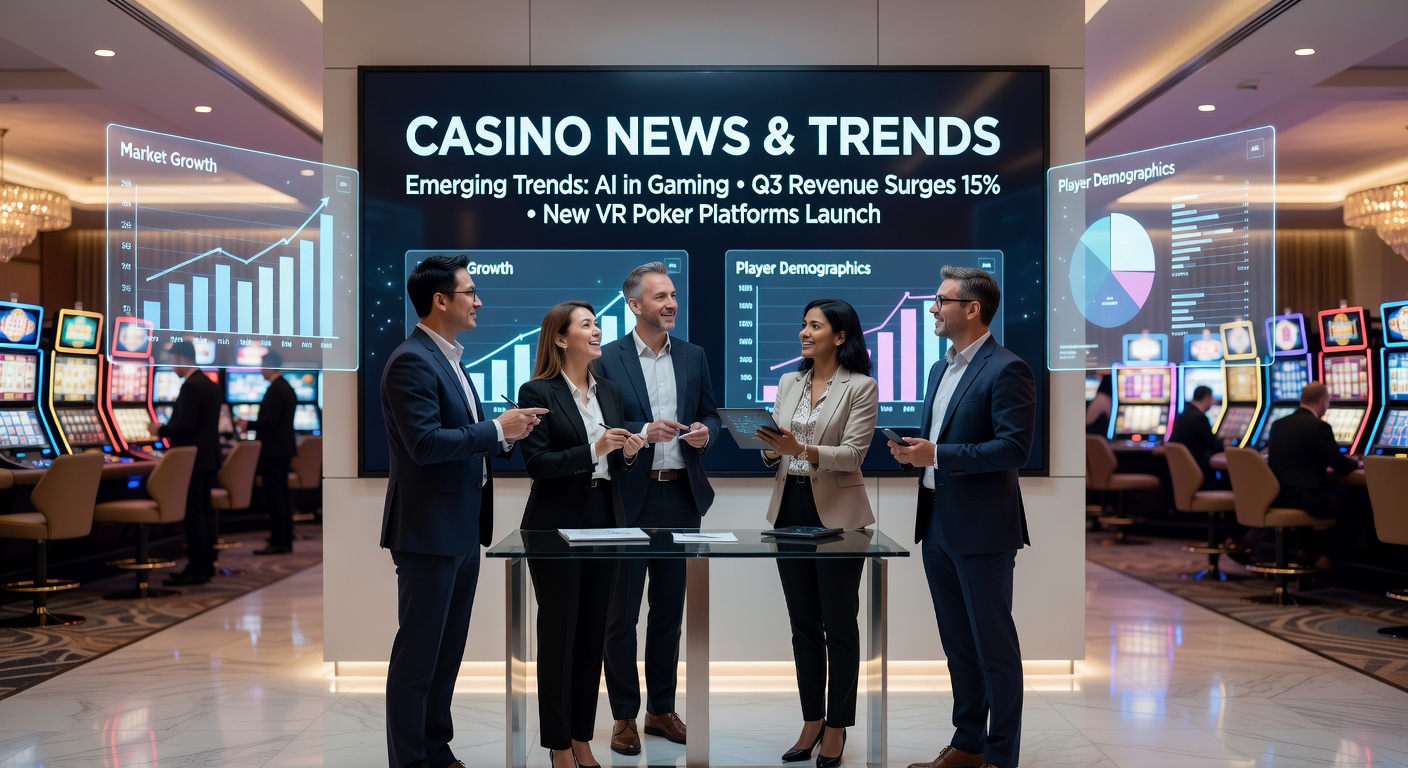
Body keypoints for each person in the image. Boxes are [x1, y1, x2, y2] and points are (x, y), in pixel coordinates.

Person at [380, 254, 545, 768]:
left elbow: (461, 439)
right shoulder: (412, 360)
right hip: (428, 532)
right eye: (470, 292)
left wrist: (506, 432)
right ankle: (410, 759)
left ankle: (436, 748)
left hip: (462, 528)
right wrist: (496, 431)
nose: (478, 301)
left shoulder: (450, 359)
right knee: (419, 656)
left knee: (446, 652)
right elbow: (425, 444)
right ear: (440, 300)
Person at [889, 266, 1035, 768]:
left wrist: (939, 454)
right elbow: (942, 444)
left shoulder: (1007, 368)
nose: (933, 308)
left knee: (993, 646)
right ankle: (968, 743)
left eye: (942, 300)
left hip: (983, 528)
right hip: (936, 523)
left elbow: (1014, 448)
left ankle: (1001, 756)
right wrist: (917, 453)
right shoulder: (940, 369)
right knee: (957, 644)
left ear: (971, 309)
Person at [595, 262, 721, 755]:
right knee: (620, 615)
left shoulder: (693, 355)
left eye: (673, 294)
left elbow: (709, 410)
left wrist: (707, 431)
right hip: (629, 497)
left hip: (681, 497)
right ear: (635, 305)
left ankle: (660, 711)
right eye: (660, 296)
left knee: (669, 612)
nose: (671, 303)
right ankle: (624, 715)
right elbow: (601, 424)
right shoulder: (607, 359)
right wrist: (642, 434)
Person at [518, 301, 646, 768]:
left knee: (593, 633)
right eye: (587, 325)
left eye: (596, 324)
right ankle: (557, 744)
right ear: (559, 337)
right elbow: (538, 466)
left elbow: (613, 460)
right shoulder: (537, 390)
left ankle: (581, 737)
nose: (597, 332)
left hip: (605, 516)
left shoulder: (608, 392)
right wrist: (595, 447)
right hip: (555, 522)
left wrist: (626, 452)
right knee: (559, 635)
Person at [755, 298, 878, 768]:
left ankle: (836, 726)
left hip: (839, 513)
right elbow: (777, 449)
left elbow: (853, 455)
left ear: (840, 335)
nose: (804, 333)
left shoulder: (861, 387)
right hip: (790, 507)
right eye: (803, 325)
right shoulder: (789, 381)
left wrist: (800, 447)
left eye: (814, 326)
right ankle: (810, 720)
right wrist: (769, 447)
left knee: (839, 626)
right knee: (803, 626)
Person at [1266, 382, 1363, 570]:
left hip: (1279, 496)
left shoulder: (1278, 425)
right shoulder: (1319, 427)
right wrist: (1358, 462)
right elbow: (1341, 466)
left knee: (1330, 496)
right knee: (1357, 511)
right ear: (1323, 401)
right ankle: (1325, 559)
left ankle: (1306, 552)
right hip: (1306, 498)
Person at [151, 340, 222, 587]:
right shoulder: (209, 384)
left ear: (181, 357)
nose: (171, 366)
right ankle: (206, 564)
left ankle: (196, 568)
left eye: (172, 360)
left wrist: (159, 429)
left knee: (194, 515)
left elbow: (185, 425)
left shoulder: (191, 386)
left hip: (191, 460)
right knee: (203, 512)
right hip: (207, 458)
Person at [238, 350, 297, 555]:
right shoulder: (287, 387)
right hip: (284, 449)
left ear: (268, 366)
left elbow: (270, 421)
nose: (261, 372)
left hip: (273, 451)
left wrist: (247, 423)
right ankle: (283, 538)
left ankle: (279, 541)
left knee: (275, 497)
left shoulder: (275, 389)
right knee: (281, 495)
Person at [1169, 385, 1224, 483]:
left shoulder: (1182, 415)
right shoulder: (1200, 418)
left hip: (1184, 471)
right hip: (1199, 471)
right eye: (1212, 399)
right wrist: (1228, 443)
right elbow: (1214, 447)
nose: (1212, 403)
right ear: (1207, 398)